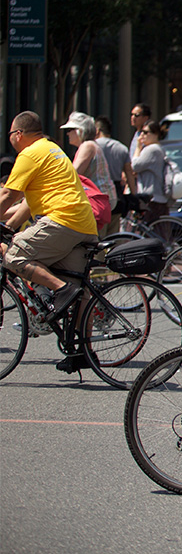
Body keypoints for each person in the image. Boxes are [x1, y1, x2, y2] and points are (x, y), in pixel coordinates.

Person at [0, 112, 99, 372]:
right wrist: (8, 227)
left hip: (62, 221)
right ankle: (83, 351)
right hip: (83, 224)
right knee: (79, 292)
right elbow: (25, 202)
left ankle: (59, 288)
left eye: (10, 134)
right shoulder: (51, 149)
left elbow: (8, 194)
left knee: (14, 256)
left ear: (18, 134)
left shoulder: (30, 153)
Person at [61, 112, 117, 208]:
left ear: (80, 131)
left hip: (97, 200)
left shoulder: (87, 146)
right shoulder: (90, 145)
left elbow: (74, 175)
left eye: (70, 129)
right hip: (102, 199)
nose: (67, 133)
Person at [130, 119, 170, 231]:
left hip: (152, 198)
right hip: (156, 197)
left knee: (150, 232)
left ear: (155, 134)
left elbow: (135, 165)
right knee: (158, 231)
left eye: (146, 132)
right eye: (141, 132)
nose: (142, 135)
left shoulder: (152, 150)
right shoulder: (158, 149)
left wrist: (138, 147)